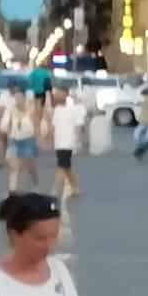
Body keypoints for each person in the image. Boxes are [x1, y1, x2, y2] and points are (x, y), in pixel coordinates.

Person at [48, 86, 85, 220]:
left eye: (59, 94)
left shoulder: (73, 109)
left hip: (68, 143)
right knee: (66, 166)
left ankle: (54, 194)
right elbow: (53, 126)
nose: (56, 96)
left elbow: (78, 126)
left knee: (61, 167)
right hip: (59, 142)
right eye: (56, 94)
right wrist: (50, 139)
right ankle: (75, 187)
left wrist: (78, 142)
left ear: (66, 95)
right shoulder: (57, 110)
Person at [0, 84, 41, 192]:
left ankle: (35, 184)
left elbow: (36, 125)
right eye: (15, 97)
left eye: (20, 97)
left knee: (29, 166)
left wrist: (38, 139)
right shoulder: (10, 109)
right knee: (14, 166)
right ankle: (12, 190)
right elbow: (4, 125)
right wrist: (7, 132)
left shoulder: (31, 109)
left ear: (24, 98)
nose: (17, 100)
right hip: (14, 140)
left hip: (28, 140)